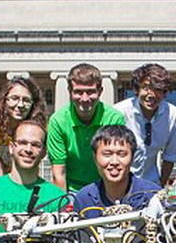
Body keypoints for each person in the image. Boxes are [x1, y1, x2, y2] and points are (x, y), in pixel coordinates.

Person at [47, 63, 125, 192]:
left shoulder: (114, 119)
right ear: (70, 91)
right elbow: (59, 172)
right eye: (78, 92)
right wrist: (64, 202)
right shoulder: (58, 121)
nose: (84, 98)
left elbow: (115, 163)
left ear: (100, 91)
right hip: (71, 189)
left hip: (105, 187)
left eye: (90, 92)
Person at [114, 63, 176, 186]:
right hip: (120, 182)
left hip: (151, 182)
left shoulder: (174, 115)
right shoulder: (119, 112)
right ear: (137, 89)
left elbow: (170, 156)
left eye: (158, 89)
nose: (151, 94)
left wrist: (161, 186)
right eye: (146, 87)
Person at [0, 77, 46, 179]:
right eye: (15, 98)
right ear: (5, 100)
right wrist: (5, 184)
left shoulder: (38, 129)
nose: (20, 105)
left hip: (25, 178)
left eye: (26, 100)